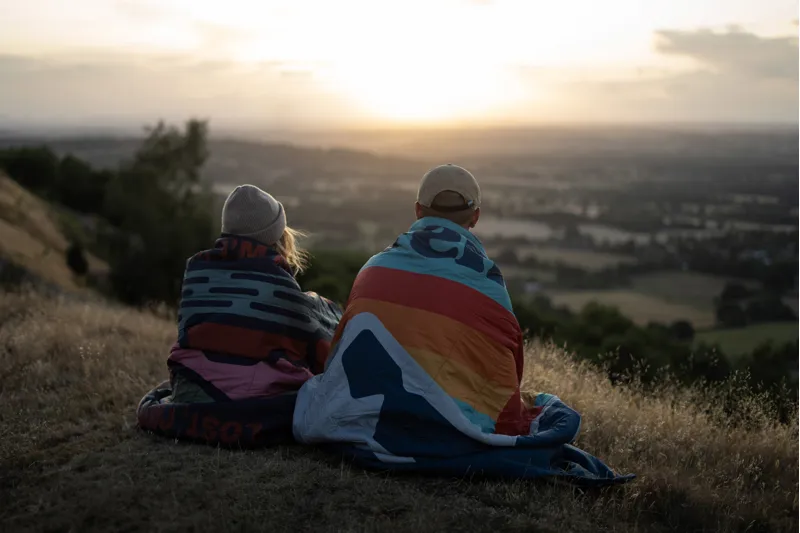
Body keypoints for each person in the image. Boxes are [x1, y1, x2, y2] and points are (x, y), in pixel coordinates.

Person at [292, 164, 633, 485]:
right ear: (476, 217)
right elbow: (507, 373)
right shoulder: (488, 281)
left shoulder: (373, 268)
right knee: (545, 407)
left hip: (360, 419)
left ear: (417, 211)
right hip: (452, 431)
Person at [137, 184, 342, 447]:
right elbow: (323, 354)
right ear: (276, 237)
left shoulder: (196, 271)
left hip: (191, 389)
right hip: (253, 403)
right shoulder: (279, 288)